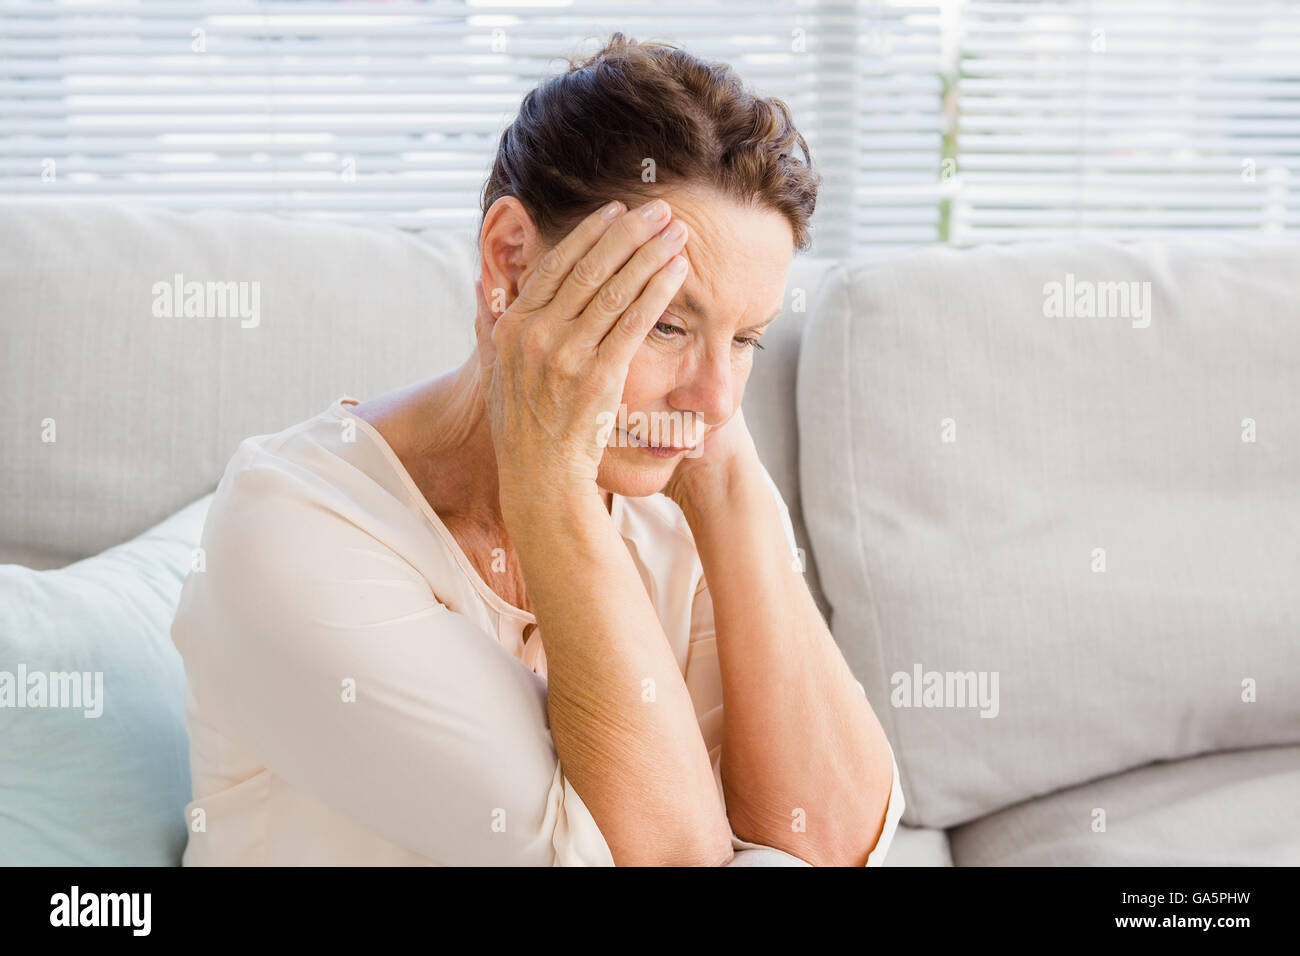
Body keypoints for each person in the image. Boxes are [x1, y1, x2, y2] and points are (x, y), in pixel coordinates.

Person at [171, 32, 904, 867]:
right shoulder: (291, 526)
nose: (717, 398)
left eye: (746, 340)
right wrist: (548, 482)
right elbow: (668, 861)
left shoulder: (675, 481)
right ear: (510, 262)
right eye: (666, 321)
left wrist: (728, 479)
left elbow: (833, 841)